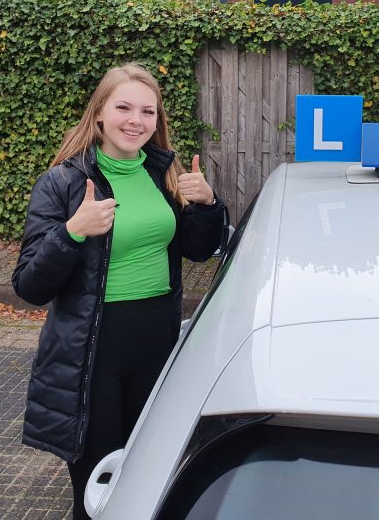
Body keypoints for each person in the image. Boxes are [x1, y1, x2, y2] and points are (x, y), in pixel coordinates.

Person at [12, 63, 225, 519]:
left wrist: (207, 205)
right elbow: (29, 285)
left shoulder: (162, 175)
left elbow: (198, 251)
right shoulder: (63, 183)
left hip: (158, 343)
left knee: (149, 472)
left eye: (148, 111)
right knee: (99, 482)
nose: (136, 120)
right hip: (94, 351)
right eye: (124, 107)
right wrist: (71, 232)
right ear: (100, 114)